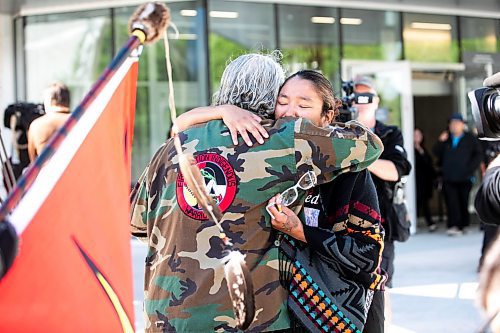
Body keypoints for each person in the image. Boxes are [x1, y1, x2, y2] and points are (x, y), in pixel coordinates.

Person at [130, 54, 383, 333]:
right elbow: (368, 145)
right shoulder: (282, 138)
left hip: (166, 318)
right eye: (283, 99)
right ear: (271, 95)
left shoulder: (171, 147)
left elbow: (138, 224)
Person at [351, 76, 411, 291]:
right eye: (355, 96)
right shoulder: (337, 132)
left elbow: (396, 170)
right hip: (343, 222)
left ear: (376, 101)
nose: (361, 101)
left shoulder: (390, 134)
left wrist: (358, 155)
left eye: (366, 96)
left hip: (381, 222)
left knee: (380, 288)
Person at [432, 113, 482, 236]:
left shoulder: (470, 138)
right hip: (449, 177)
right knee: (452, 202)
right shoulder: (446, 139)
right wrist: (440, 141)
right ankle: (454, 225)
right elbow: (436, 152)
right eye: (451, 124)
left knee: (463, 201)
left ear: (462, 125)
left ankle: (464, 224)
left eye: (456, 123)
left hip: (465, 177)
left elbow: (478, 155)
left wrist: (470, 169)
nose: (453, 126)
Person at [27, 82, 71, 161]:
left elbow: (33, 164)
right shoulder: (82, 122)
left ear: (49, 101)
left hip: (49, 172)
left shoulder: (36, 125)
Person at [414, 127, 436, 231]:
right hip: (414, 181)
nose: (417, 137)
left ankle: (429, 222)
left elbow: (428, 164)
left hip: (424, 181)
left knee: (424, 202)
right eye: (415, 135)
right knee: (417, 202)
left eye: (419, 135)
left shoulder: (423, 149)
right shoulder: (410, 149)